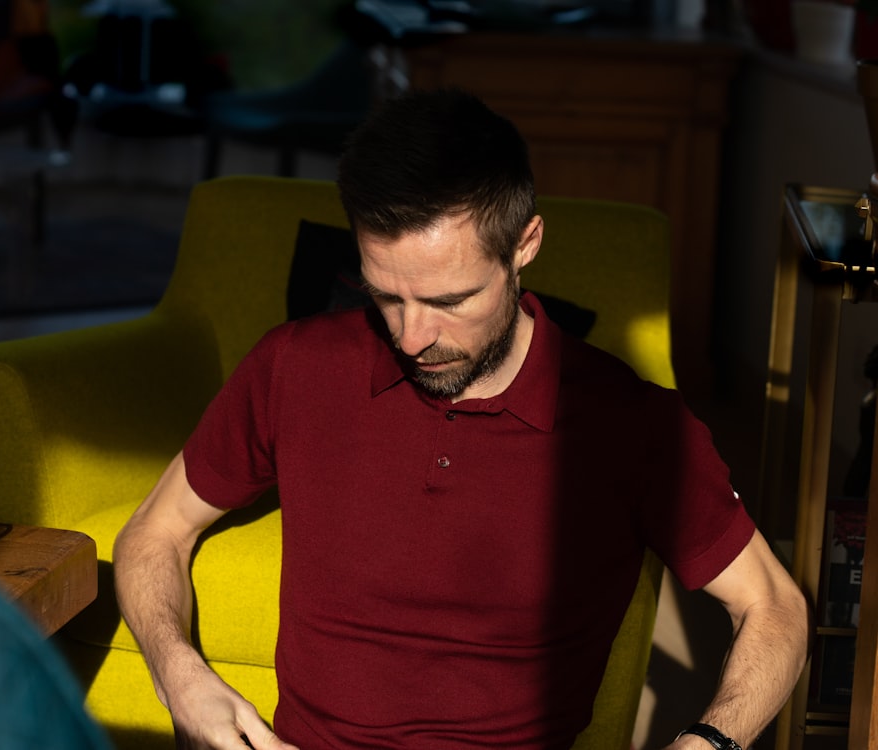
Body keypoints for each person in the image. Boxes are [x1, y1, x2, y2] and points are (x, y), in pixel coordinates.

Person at [113, 88, 810, 750]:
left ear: (524, 245)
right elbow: (156, 530)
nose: (413, 336)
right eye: (386, 295)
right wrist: (181, 680)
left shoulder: (630, 424)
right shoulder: (294, 367)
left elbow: (775, 608)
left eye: (449, 300)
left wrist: (708, 740)